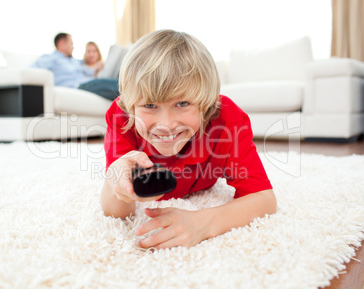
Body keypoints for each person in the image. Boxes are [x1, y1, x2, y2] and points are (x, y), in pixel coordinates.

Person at [100, 30, 277, 249]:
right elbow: (116, 213)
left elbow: (264, 200)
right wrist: (115, 180)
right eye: (149, 105)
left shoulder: (228, 119)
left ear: (206, 103)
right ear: (130, 105)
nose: (166, 124)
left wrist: (204, 223)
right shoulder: (122, 116)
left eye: (182, 104)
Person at [31, 33, 119, 100]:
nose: (73, 47)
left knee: (120, 83)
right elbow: (29, 71)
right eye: (71, 43)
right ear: (62, 44)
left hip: (90, 82)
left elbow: (88, 65)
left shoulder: (73, 61)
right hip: (79, 86)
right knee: (119, 86)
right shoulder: (51, 58)